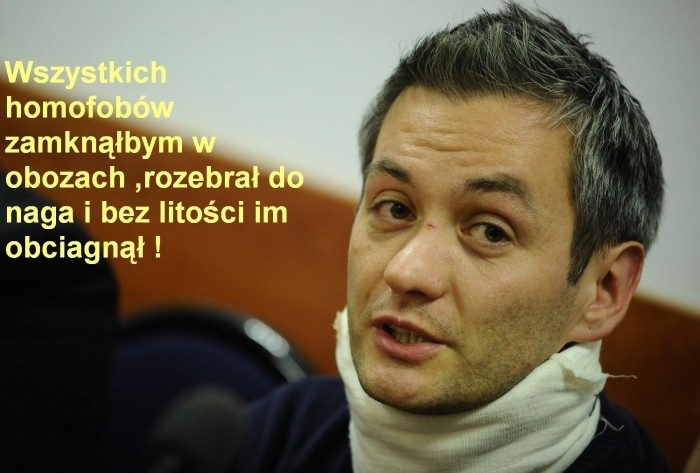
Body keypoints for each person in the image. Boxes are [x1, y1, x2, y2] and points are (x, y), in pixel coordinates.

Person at [234, 3, 667, 472]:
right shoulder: (281, 431)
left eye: (490, 231)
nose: (406, 272)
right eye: (396, 208)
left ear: (603, 291)